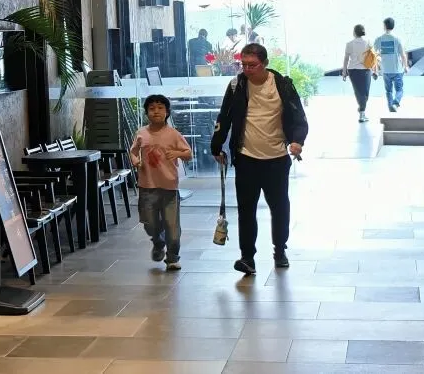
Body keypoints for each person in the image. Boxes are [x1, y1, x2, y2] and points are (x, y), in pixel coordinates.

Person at [211, 44, 307, 276]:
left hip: (276, 158)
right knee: (246, 210)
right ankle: (247, 257)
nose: (247, 69)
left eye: (252, 65)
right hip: (246, 158)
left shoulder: (282, 84)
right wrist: (217, 145)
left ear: (264, 63)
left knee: (279, 207)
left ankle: (280, 250)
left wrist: (297, 140)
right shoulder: (236, 85)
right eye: (243, 64)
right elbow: (224, 117)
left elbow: (298, 116)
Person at [129, 95, 192, 271]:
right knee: (149, 223)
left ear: (167, 112)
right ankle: (158, 241)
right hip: (147, 186)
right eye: (151, 108)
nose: (156, 111)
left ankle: (172, 257)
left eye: (160, 108)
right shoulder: (141, 133)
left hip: (169, 187)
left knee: (172, 225)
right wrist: (135, 160)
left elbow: (188, 153)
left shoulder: (174, 134)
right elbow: (133, 151)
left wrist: (178, 154)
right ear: (146, 112)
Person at [375, 17, 409, 113]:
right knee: (399, 90)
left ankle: (390, 107)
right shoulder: (397, 39)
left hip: (385, 70)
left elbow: (374, 55)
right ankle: (395, 103)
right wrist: (406, 66)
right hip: (397, 70)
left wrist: (376, 69)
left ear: (384, 26)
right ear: (393, 26)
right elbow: (403, 55)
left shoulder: (379, 39)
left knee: (388, 91)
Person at [342, 24, 374, 123]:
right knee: (365, 92)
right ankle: (362, 113)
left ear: (354, 32)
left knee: (358, 92)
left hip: (353, 70)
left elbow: (346, 59)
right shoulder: (368, 42)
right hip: (365, 70)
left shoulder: (349, 44)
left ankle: (361, 109)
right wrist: (374, 70)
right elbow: (373, 58)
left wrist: (344, 71)